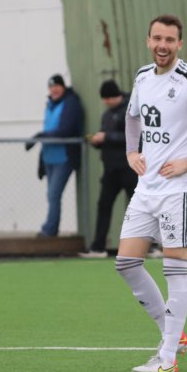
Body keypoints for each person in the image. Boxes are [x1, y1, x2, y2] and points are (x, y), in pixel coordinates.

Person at [116, 14, 187, 372]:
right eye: (157, 39)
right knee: (126, 263)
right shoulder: (141, 76)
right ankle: (175, 335)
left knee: (174, 270)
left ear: (179, 43)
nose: (162, 45)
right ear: (148, 40)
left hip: (178, 191)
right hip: (146, 187)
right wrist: (131, 151)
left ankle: (166, 360)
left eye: (170, 40)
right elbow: (133, 116)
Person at [79, 80, 138, 258]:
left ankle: (148, 246)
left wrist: (108, 136)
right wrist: (97, 141)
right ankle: (98, 247)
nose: (105, 102)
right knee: (103, 206)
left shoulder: (131, 111)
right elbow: (107, 139)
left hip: (129, 168)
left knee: (138, 209)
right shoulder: (107, 115)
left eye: (107, 98)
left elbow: (134, 136)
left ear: (115, 96)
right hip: (110, 169)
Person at [26, 74, 85, 237]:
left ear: (63, 87)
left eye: (57, 86)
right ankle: (50, 227)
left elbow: (65, 130)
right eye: (51, 87)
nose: (54, 90)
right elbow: (47, 132)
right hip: (49, 157)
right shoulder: (50, 105)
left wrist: (39, 136)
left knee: (54, 194)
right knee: (51, 194)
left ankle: (50, 229)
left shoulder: (70, 103)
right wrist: (41, 161)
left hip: (63, 157)